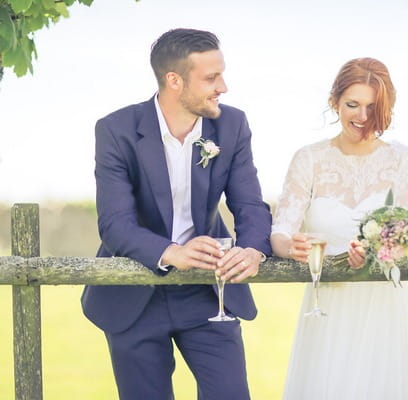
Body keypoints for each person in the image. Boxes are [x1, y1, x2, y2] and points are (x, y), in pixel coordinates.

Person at [81, 29, 272, 400]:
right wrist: (172, 253)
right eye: (211, 78)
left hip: (208, 293)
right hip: (135, 293)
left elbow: (250, 204)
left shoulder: (232, 125)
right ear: (174, 80)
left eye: (222, 74)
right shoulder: (116, 130)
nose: (224, 87)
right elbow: (115, 225)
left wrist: (252, 249)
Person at [271, 57, 408, 399]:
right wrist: (286, 246)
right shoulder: (309, 159)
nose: (362, 117)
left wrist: (377, 253)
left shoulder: (403, 161)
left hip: (382, 304)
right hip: (326, 306)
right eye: (353, 105)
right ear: (334, 102)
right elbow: (282, 228)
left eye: (373, 107)